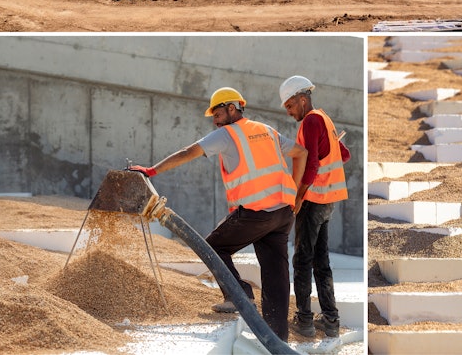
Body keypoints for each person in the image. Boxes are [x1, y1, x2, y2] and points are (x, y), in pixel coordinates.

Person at [129, 86, 306, 342]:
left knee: (212, 247)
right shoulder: (266, 130)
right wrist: (296, 194)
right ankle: (277, 339)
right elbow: (301, 152)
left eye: (217, 113)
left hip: (256, 213)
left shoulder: (227, 134)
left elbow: (188, 152)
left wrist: (151, 171)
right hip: (283, 214)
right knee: (275, 272)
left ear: (232, 108)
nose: (214, 119)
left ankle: (239, 294)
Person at [279, 75, 350, 339]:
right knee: (321, 261)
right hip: (328, 201)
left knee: (302, 260)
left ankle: (305, 320)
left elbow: (311, 165)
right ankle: (331, 320)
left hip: (313, 200)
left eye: (290, 105)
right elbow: (344, 155)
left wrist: (297, 198)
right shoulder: (324, 119)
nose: (288, 112)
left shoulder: (310, 120)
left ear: (302, 99)